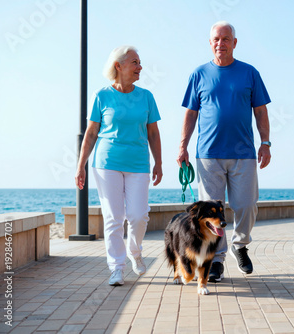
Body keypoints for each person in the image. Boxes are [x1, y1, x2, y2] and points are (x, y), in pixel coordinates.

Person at [177, 21, 271, 282]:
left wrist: (265, 143)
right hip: (208, 155)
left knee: (246, 205)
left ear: (234, 42)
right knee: (211, 216)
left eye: (226, 39)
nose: (221, 43)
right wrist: (183, 146)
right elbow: (190, 113)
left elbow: (261, 111)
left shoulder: (250, 73)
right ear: (210, 43)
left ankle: (240, 247)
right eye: (216, 39)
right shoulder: (199, 74)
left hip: (244, 153)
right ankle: (216, 260)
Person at [75, 46, 162, 286]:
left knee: (138, 216)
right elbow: (91, 133)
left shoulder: (146, 96)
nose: (140, 67)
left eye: (139, 62)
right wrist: (81, 165)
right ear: (119, 66)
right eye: (135, 62)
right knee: (113, 217)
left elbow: (153, 133)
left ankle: (135, 252)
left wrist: (159, 163)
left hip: (138, 163)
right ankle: (116, 267)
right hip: (107, 162)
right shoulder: (102, 96)